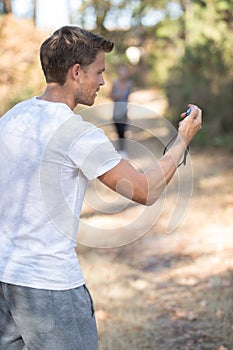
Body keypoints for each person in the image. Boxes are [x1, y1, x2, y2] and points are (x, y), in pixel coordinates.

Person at [0, 26, 202, 350]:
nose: (103, 82)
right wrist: (182, 141)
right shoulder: (76, 133)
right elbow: (145, 190)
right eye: (99, 72)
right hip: (51, 288)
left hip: (6, 282)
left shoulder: (11, 118)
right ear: (76, 72)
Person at [110, 64, 133, 157]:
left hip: (124, 111)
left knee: (123, 131)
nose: (122, 74)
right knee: (118, 131)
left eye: (124, 71)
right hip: (116, 111)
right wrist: (117, 96)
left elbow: (130, 96)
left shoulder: (129, 84)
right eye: (121, 71)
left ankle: (123, 150)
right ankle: (119, 149)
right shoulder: (115, 83)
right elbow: (110, 95)